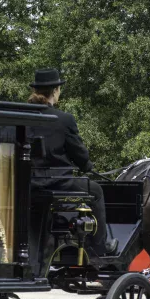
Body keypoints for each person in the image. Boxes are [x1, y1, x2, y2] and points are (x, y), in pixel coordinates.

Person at [26, 69, 112, 263]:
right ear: (55, 91)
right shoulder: (64, 119)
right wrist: (87, 165)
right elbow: (79, 154)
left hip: (28, 183)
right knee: (96, 191)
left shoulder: (22, 116)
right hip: (57, 183)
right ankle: (99, 247)